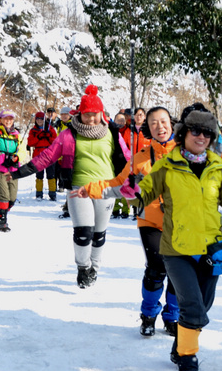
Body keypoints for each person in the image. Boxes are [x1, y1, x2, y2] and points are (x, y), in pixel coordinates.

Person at [131, 108, 222, 371]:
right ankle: (188, 364)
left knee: (203, 306)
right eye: (195, 131)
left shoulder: (216, 167)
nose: (201, 137)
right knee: (191, 305)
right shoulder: (167, 165)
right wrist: (134, 193)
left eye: (207, 133)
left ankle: (181, 344)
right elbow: (145, 192)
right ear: (183, 134)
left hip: (210, 249)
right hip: (176, 249)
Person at [73, 106, 180, 337]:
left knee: (178, 273)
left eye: (163, 122)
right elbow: (116, 184)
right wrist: (90, 189)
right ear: (147, 128)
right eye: (153, 123)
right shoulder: (140, 158)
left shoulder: (186, 152)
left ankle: (173, 316)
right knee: (156, 268)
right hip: (150, 220)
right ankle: (149, 314)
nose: (159, 127)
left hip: (180, 222)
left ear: (171, 123)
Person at [8, 85, 130, 286]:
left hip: (107, 189)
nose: (91, 118)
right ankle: (83, 268)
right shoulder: (68, 134)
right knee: (84, 233)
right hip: (78, 189)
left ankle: (94, 268)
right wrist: (19, 173)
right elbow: (47, 156)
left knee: (99, 234)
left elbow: (126, 158)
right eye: (87, 114)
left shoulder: (112, 133)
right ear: (80, 113)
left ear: (101, 113)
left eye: (95, 114)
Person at [26, 112, 58, 200]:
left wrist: (49, 137)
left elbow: (55, 142)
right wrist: (38, 137)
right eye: (38, 119)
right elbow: (30, 143)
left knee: (51, 175)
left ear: (44, 120)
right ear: (35, 120)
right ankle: (39, 194)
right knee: (39, 175)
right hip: (38, 155)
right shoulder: (33, 130)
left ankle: (52, 194)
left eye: (41, 119)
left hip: (49, 155)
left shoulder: (50, 129)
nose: (39, 121)